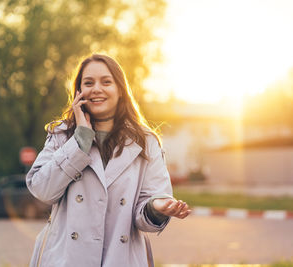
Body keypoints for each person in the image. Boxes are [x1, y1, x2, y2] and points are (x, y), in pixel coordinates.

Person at [26, 54, 191, 267]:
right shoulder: (62, 135)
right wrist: (81, 139)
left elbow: (148, 207)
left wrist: (155, 206)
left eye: (106, 82)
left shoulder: (145, 141)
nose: (96, 89)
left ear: (120, 90)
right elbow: (42, 189)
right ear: (78, 92)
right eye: (88, 83)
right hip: (65, 259)